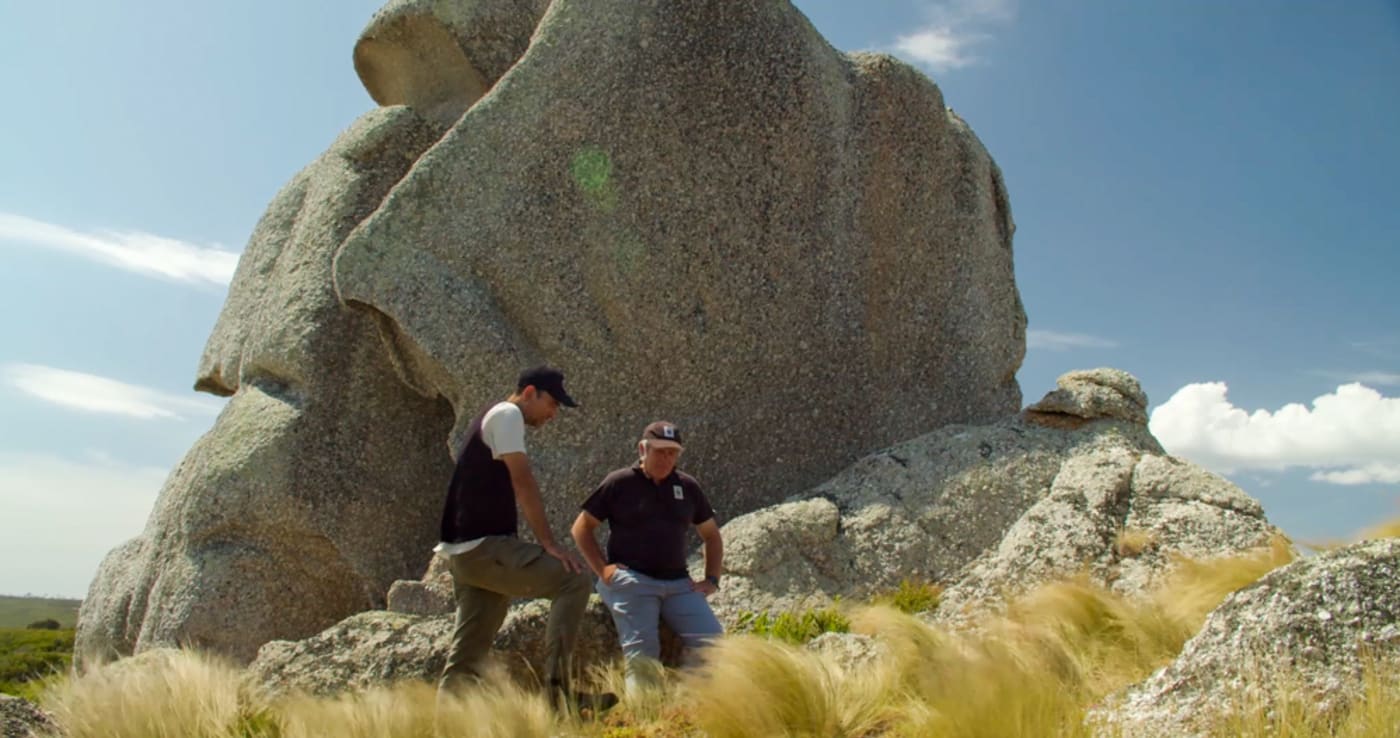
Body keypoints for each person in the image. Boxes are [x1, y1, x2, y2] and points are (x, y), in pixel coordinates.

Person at [435, 365, 613, 712]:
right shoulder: (507, 414)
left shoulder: (492, 417)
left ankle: (447, 728)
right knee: (574, 581)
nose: (553, 414)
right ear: (530, 392)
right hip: (484, 548)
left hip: (466, 555)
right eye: (552, 404)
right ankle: (558, 694)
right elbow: (523, 480)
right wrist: (548, 543)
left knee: (465, 659)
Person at [571, 420, 725, 694]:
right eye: (660, 451)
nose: (667, 458)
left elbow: (711, 535)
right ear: (643, 449)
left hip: (679, 584)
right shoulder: (620, 482)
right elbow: (581, 528)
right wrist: (603, 570)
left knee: (712, 642)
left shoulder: (687, 487)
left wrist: (711, 579)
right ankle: (645, 721)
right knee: (643, 658)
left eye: (673, 452)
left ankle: (688, 708)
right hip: (632, 580)